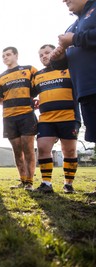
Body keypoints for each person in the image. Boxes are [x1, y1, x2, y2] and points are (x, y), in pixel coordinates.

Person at [50, 0, 96, 194]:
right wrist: (59, 58)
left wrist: (75, 39)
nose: (64, 0)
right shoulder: (72, 25)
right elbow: (67, 61)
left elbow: (80, 40)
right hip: (85, 90)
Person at [34, 44, 81, 194]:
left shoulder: (70, 69)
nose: (44, 56)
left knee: (69, 151)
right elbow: (29, 94)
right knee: (42, 148)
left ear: (55, 52)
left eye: (47, 53)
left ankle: (68, 184)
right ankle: (46, 183)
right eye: (41, 55)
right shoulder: (38, 75)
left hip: (68, 117)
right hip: (46, 119)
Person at [0, 47, 38, 191]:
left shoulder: (29, 70)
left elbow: (39, 88)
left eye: (8, 54)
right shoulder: (0, 77)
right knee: (16, 150)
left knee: (28, 148)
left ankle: (30, 182)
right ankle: (23, 180)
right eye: (3, 56)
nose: (5, 57)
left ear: (16, 55)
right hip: (9, 117)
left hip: (26, 114)